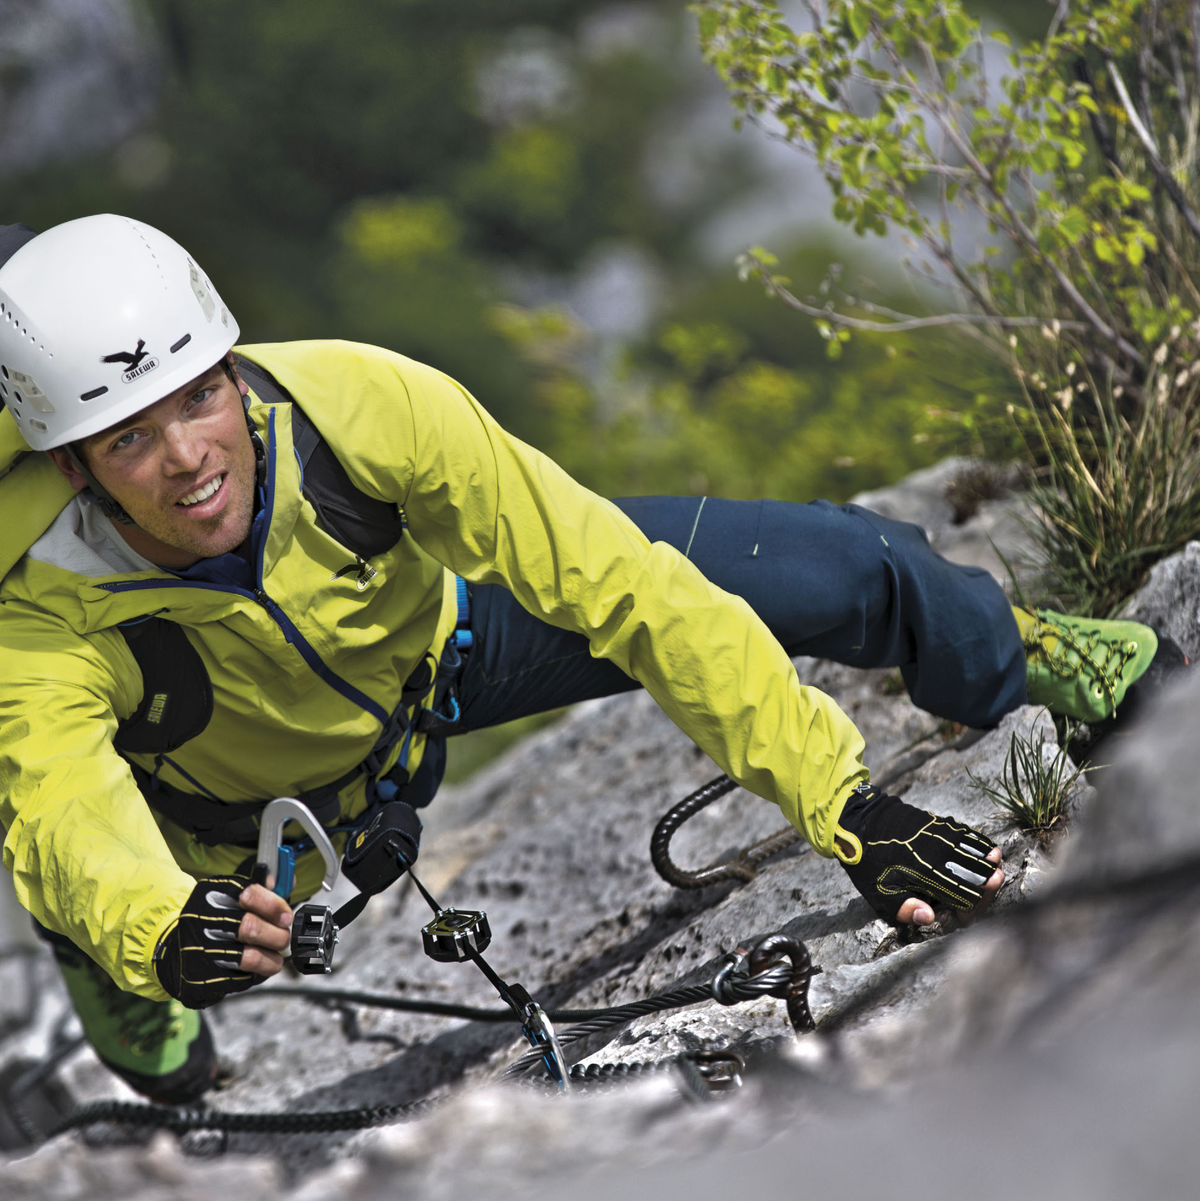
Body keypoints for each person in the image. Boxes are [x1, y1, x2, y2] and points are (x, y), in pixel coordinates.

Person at [0, 215, 1175, 1104]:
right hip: (236, 832)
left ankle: (1023, 656)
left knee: (849, 565)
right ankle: (118, 982)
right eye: (130, 436)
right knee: (130, 919)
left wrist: (846, 804)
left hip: (443, 663)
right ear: (72, 466)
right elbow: (63, 808)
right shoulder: (38, 604)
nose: (188, 455)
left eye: (199, 397)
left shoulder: (359, 408)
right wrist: (157, 926)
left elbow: (620, 582)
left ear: (233, 370)